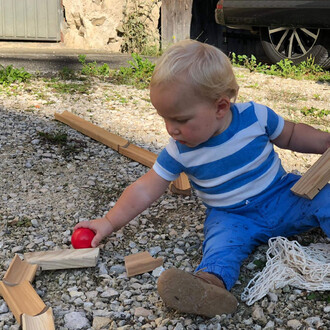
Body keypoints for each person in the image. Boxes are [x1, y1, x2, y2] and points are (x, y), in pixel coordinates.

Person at [74, 39, 330, 317]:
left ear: (220, 107)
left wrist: (325, 142)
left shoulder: (256, 116)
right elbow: (146, 189)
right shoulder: (179, 151)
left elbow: (292, 135)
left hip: (284, 196)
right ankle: (208, 286)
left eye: (180, 119)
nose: (171, 129)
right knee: (220, 246)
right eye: (164, 118)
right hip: (232, 216)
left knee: (325, 197)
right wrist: (109, 221)